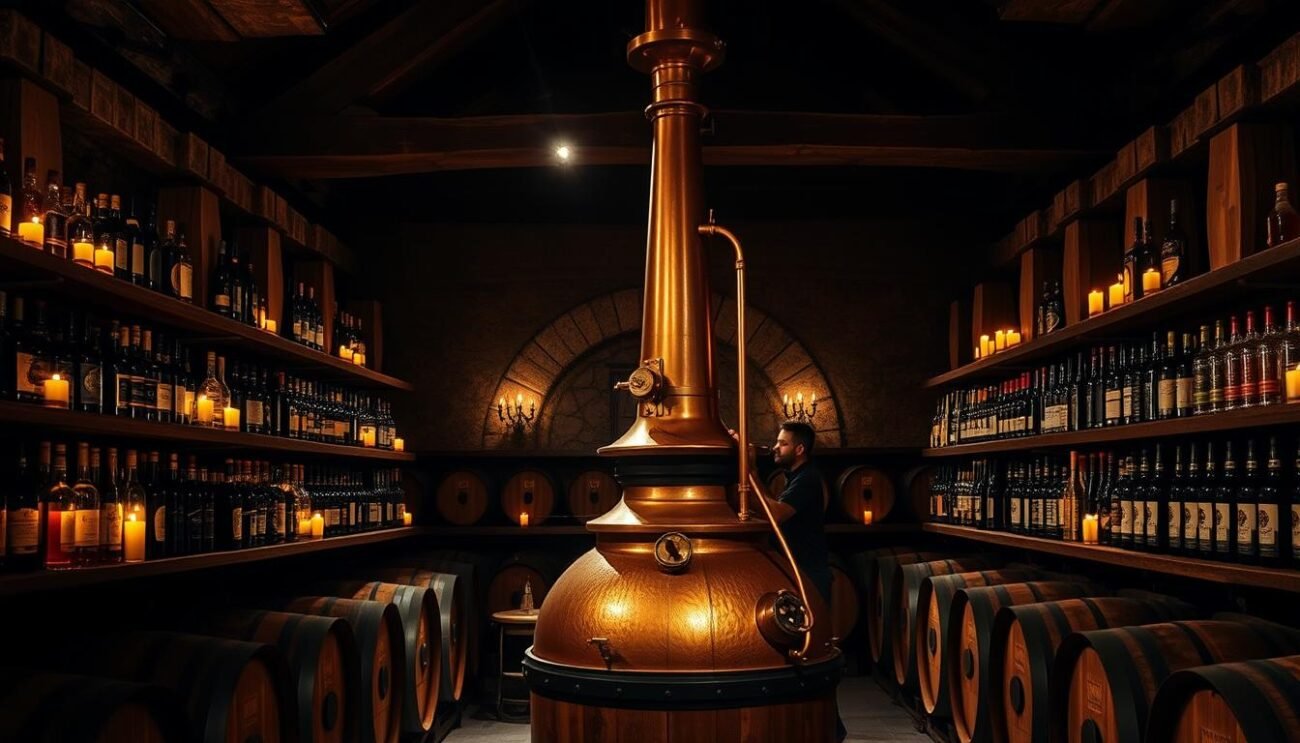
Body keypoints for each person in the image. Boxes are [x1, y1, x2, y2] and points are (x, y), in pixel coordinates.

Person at [733, 420, 846, 742]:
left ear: (799, 449)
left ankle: (830, 730)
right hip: (803, 572)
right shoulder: (796, 477)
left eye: (782, 444)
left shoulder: (808, 479)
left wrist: (750, 471)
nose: (775, 448)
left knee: (813, 650)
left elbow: (776, 515)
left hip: (809, 573)